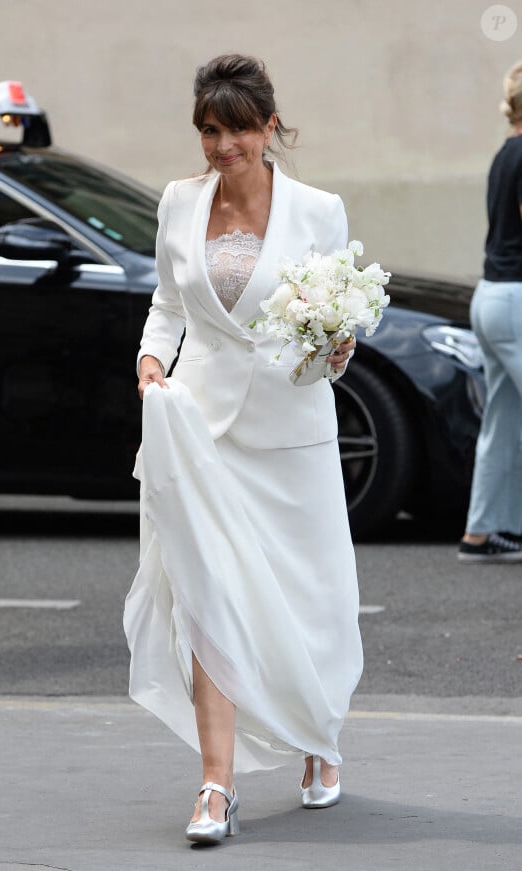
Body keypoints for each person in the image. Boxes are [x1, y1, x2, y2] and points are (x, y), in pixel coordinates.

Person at [123, 53, 363, 844]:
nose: (221, 146)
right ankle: (216, 786)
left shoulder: (319, 209)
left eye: (235, 131)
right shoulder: (177, 203)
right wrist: (152, 359)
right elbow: (166, 303)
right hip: (200, 432)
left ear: (269, 128)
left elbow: (341, 319)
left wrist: (338, 348)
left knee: (310, 602)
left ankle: (318, 742)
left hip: (290, 432)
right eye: (208, 131)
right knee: (209, 603)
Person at [458, 60, 522, 564]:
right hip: (516, 299)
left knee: (502, 419)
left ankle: (480, 535)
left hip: (491, 296)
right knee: (502, 418)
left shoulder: (506, 153)